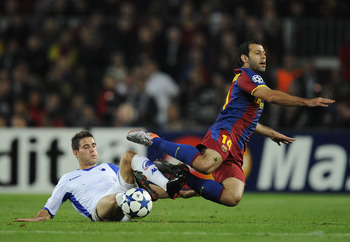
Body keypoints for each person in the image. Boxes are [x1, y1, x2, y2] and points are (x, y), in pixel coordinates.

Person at [127, 40, 335, 207]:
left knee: (232, 197)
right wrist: (307, 102)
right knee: (205, 164)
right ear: (245, 58)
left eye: (264, 53)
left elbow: (249, 122)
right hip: (225, 132)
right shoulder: (247, 76)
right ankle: (153, 139)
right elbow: (271, 96)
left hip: (237, 146)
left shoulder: (254, 83)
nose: (263, 56)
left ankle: (182, 176)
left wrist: (271, 133)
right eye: (257, 53)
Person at [13, 130, 186, 222]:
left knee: (128, 156)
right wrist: (35, 218)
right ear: (76, 152)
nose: (92, 149)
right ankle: (130, 199)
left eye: (94, 145)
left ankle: (167, 184)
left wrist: (183, 192)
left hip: (123, 196)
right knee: (118, 196)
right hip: (99, 208)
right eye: (86, 146)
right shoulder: (67, 179)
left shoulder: (107, 167)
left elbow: (140, 189)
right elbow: (48, 212)